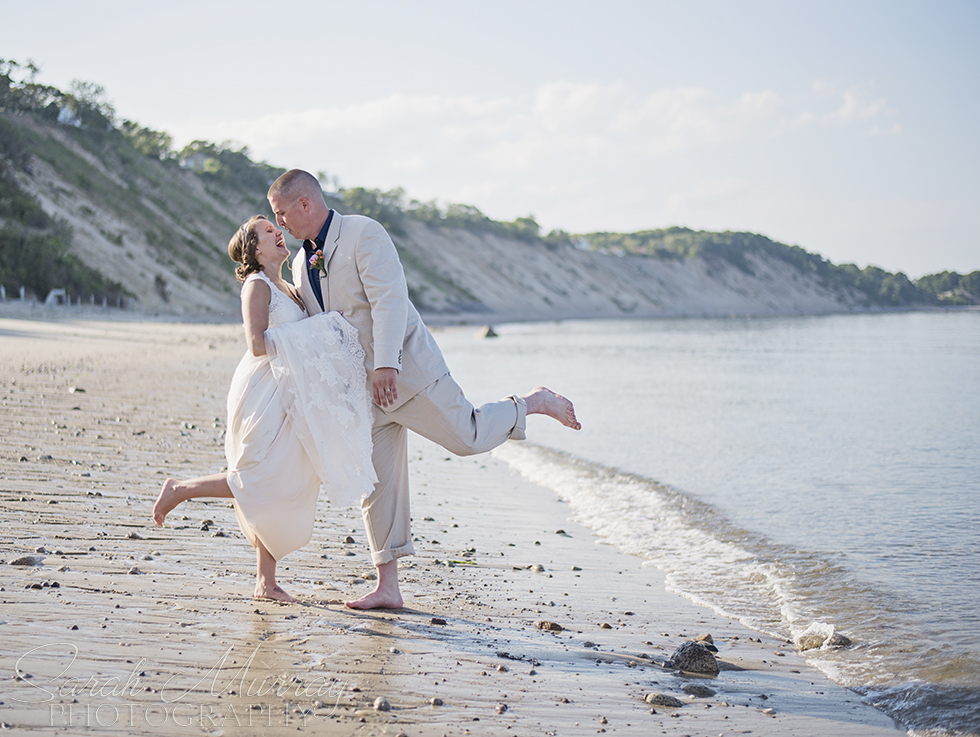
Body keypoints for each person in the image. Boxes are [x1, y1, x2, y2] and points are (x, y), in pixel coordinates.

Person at [267, 169, 582, 610]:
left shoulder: (363, 233)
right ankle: (387, 586)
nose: (280, 224)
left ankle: (532, 402)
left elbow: (390, 300)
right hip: (363, 391)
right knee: (377, 484)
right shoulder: (302, 263)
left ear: (305, 204)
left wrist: (386, 365)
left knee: (468, 437)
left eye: (282, 214)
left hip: (407, 373)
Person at [152, 215, 376, 602]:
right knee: (259, 475)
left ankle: (265, 582)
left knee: (285, 478)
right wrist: (319, 329)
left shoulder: (288, 287)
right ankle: (181, 489)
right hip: (264, 390)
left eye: (277, 229)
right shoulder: (256, 286)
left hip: (292, 389)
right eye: (268, 231)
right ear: (255, 249)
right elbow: (256, 343)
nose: (278, 232)